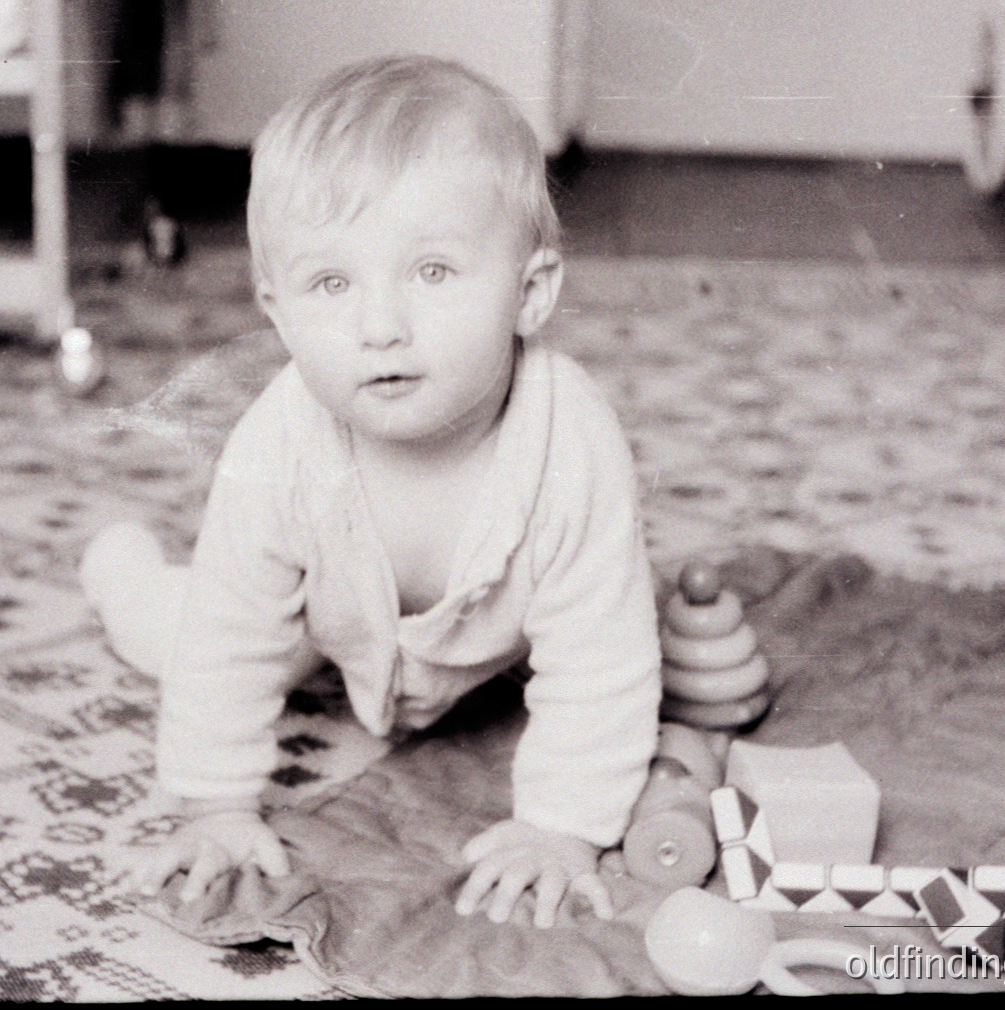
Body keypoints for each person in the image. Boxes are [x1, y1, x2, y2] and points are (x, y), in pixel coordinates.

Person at [81, 55, 660, 929]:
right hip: (326, 616)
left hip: (490, 645)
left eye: (431, 271)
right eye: (331, 283)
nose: (379, 325)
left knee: (615, 653)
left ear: (529, 291)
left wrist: (561, 827)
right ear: (276, 311)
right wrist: (215, 806)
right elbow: (229, 634)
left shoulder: (569, 443)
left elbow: (601, 655)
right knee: (187, 627)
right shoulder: (277, 444)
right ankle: (117, 571)